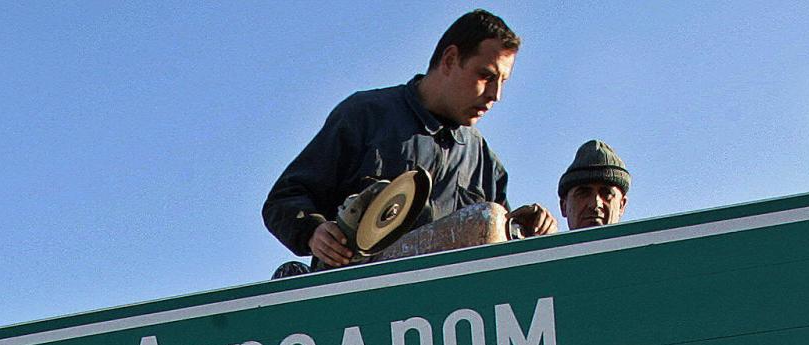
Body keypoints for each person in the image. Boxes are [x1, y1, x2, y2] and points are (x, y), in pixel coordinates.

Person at [263, 10, 553, 270]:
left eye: (503, 81)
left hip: (443, 316)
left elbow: (501, 255)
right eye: (486, 76)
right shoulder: (367, 115)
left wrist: (525, 228)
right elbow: (284, 199)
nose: (495, 95)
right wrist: (313, 231)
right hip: (359, 305)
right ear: (450, 59)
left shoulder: (484, 161)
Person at [557, 139, 630, 231]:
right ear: (564, 206)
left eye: (606, 194)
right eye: (583, 193)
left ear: (621, 205)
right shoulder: (545, 244)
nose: (595, 204)